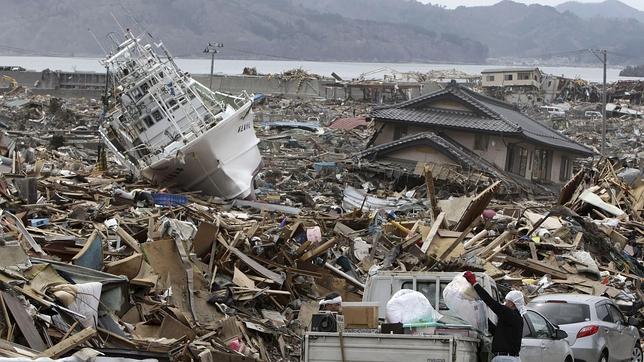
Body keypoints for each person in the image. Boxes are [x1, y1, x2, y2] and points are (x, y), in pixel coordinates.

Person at [463, 271, 525, 362]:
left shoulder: (510, 314)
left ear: (512, 304)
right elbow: (497, 332)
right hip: (506, 358)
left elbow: (491, 302)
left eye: (507, 301)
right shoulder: (513, 318)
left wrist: (474, 283)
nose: (505, 303)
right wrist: (482, 318)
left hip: (505, 359)